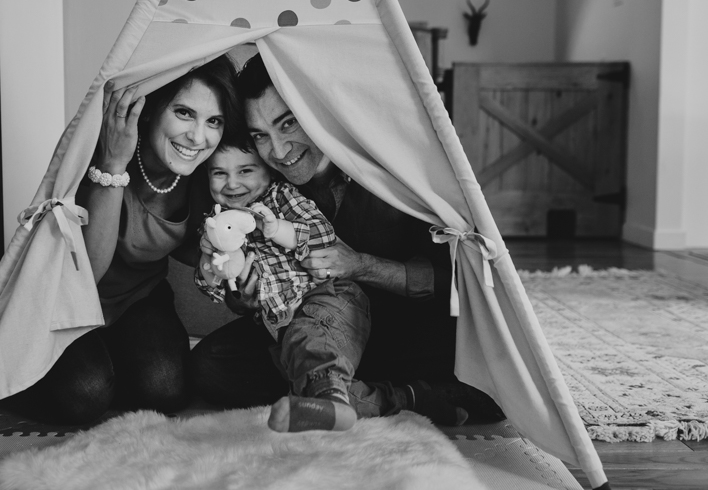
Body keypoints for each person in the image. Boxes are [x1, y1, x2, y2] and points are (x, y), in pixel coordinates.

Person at [189, 53, 503, 424]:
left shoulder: (393, 172)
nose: (279, 151)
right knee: (210, 366)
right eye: (261, 136)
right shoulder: (263, 187)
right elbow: (250, 269)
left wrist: (361, 266)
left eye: (288, 123)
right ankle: (390, 398)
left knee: (488, 371)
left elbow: (453, 280)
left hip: (397, 329)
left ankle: (343, 392)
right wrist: (242, 299)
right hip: (306, 330)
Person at [17, 55, 240, 424]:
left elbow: (204, 255)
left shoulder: (203, 174)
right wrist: (113, 166)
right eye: (184, 113)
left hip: (138, 300)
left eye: (213, 121)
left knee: (165, 389)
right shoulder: (100, 153)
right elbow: (86, 274)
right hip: (66, 303)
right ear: (149, 111)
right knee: (85, 397)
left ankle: (111, 361)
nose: (198, 137)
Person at [194, 139, 370, 432]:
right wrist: (209, 260)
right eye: (219, 173)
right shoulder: (216, 223)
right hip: (280, 324)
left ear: (269, 172)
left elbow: (321, 235)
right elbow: (209, 285)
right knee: (295, 360)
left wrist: (277, 229)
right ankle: (396, 400)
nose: (232, 183)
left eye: (246, 170)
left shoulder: (280, 198)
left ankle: (328, 400)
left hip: (327, 297)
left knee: (306, 335)